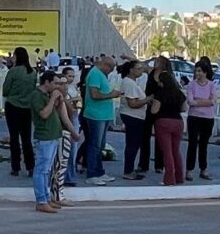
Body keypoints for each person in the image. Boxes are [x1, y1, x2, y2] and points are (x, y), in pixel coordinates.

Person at [31, 68, 70, 212]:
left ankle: (46, 198)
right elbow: (44, 114)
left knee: (46, 170)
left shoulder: (46, 95)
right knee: (41, 170)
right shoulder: (37, 96)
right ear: (46, 82)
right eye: (55, 83)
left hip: (52, 136)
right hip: (44, 137)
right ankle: (41, 200)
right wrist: (53, 99)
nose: (57, 86)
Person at [0, 47, 40, 179]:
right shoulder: (32, 72)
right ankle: (30, 166)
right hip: (27, 108)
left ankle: (15, 167)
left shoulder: (13, 71)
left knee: (14, 137)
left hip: (13, 106)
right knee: (27, 139)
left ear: (17, 56)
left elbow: (5, 90)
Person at [77, 54, 118, 184]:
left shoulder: (101, 75)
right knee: (94, 145)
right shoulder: (95, 74)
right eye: (110, 69)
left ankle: (99, 171)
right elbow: (94, 94)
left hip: (103, 115)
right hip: (96, 115)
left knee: (100, 145)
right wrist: (111, 94)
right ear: (106, 65)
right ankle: (92, 174)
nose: (110, 72)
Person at [148, 61, 188, 186]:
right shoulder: (179, 93)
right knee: (176, 150)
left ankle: (169, 178)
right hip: (178, 122)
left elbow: (154, 110)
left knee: (167, 151)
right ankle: (180, 176)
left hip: (163, 121)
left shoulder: (160, 93)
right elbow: (184, 108)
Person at [115, 59, 152, 180]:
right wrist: (147, 100)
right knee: (133, 144)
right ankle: (128, 170)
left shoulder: (131, 82)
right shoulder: (129, 83)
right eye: (138, 68)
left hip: (135, 116)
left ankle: (130, 169)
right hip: (132, 116)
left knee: (134, 143)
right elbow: (133, 103)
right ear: (131, 70)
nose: (141, 71)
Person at [184, 58, 219, 181]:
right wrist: (205, 102)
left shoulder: (211, 85)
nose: (197, 73)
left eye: (199, 71)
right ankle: (189, 169)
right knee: (192, 143)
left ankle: (203, 169)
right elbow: (190, 101)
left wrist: (199, 101)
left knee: (204, 145)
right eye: (196, 71)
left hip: (207, 118)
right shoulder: (191, 84)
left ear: (205, 72)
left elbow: (213, 101)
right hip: (194, 117)